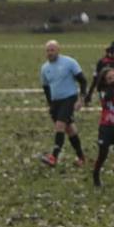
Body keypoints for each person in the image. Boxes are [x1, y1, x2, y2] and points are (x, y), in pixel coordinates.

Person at [38, 39, 87, 168]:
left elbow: (83, 81)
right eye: (48, 50)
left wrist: (81, 99)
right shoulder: (44, 68)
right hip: (56, 102)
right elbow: (46, 88)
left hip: (69, 98)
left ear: (58, 50)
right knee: (70, 130)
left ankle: (53, 157)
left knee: (59, 126)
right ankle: (81, 156)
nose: (50, 53)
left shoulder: (69, 62)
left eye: (52, 50)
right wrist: (50, 104)